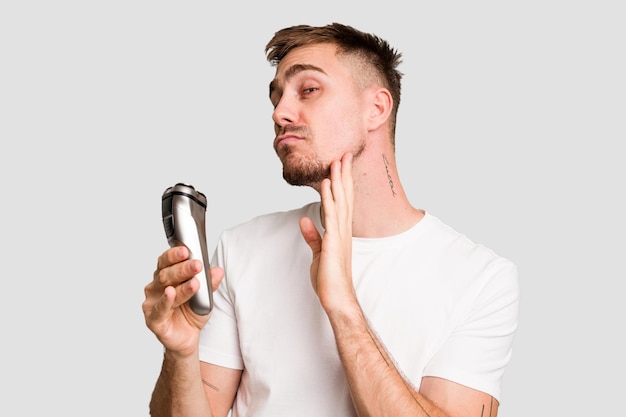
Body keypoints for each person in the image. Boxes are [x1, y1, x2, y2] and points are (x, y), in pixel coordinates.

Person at [143, 22, 520, 417]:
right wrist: (181, 352)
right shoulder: (241, 248)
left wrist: (342, 305)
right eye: (276, 96)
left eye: (308, 89)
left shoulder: (481, 279)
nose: (280, 112)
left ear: (376, 108)